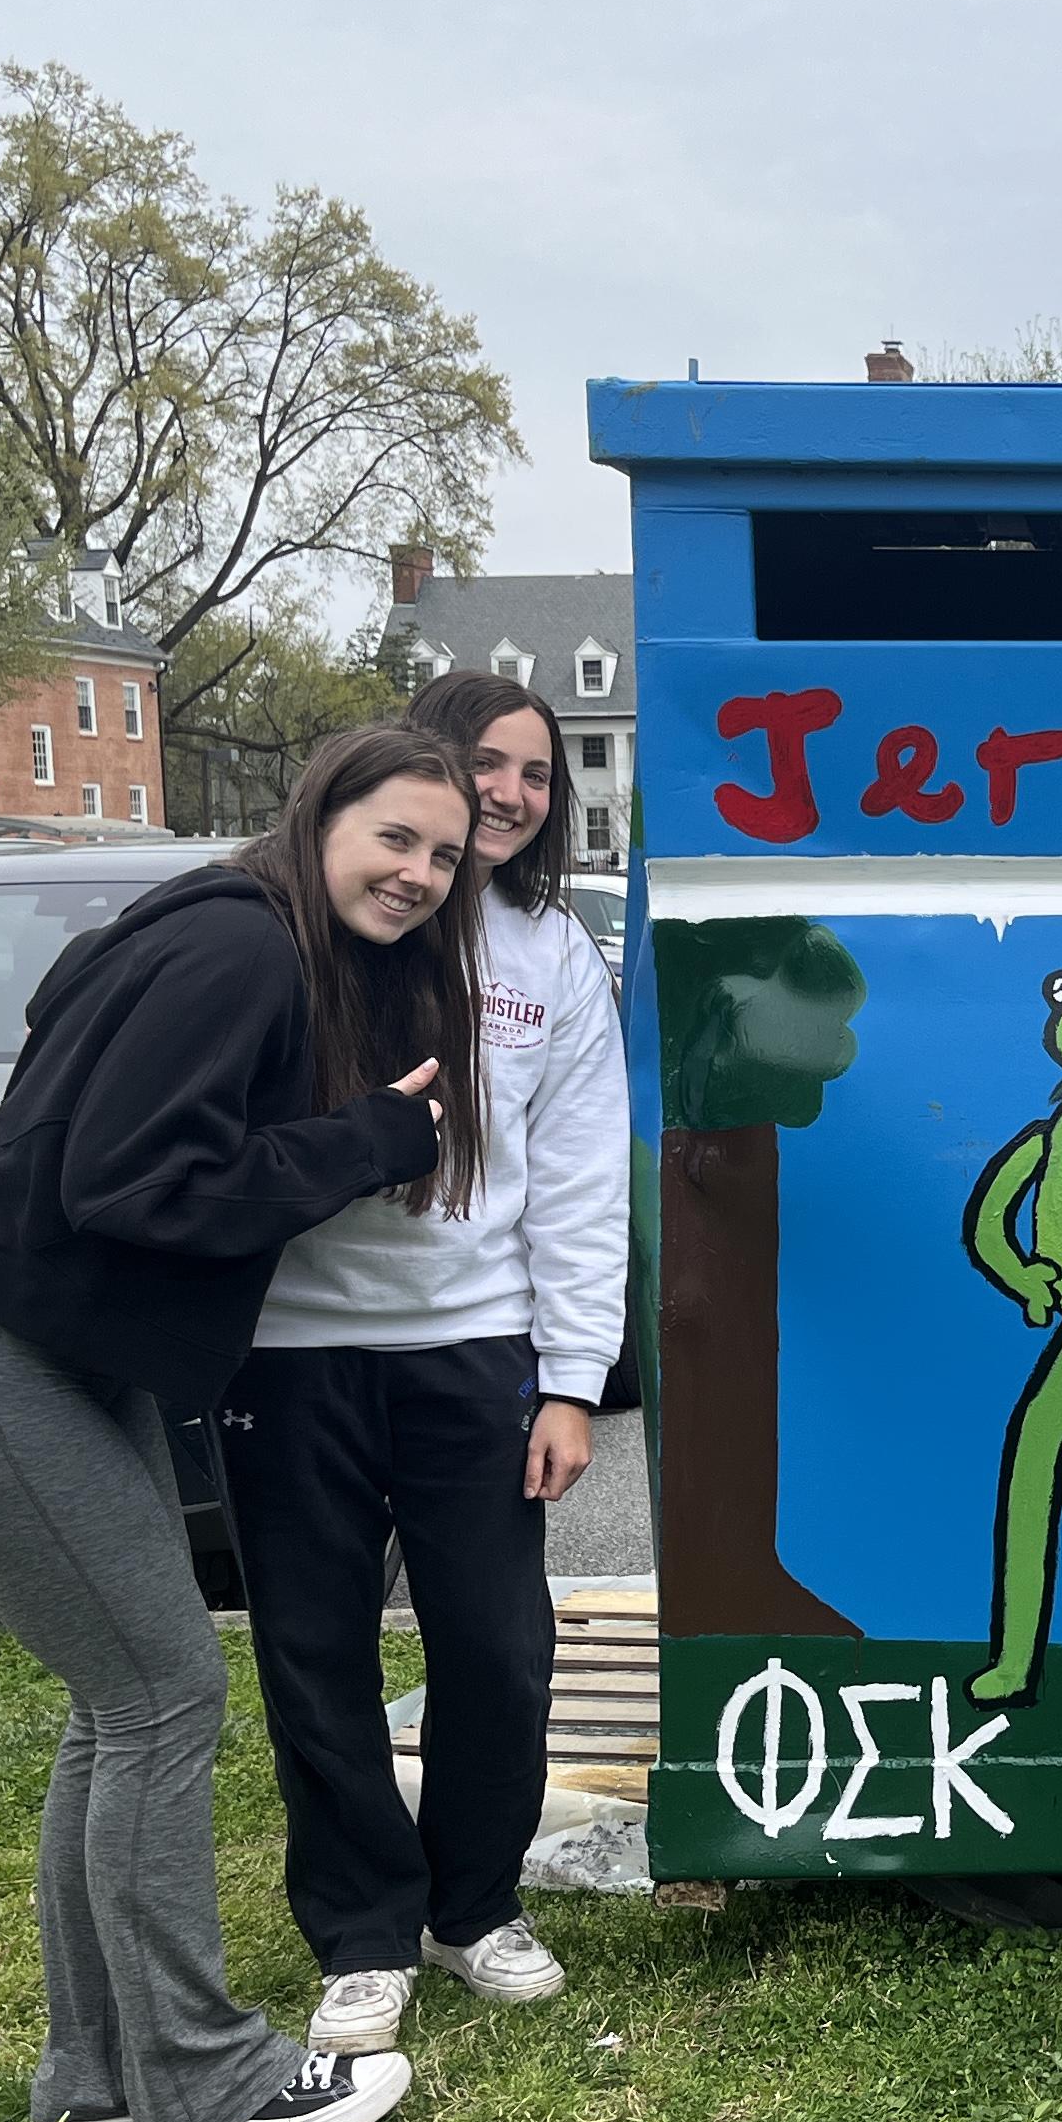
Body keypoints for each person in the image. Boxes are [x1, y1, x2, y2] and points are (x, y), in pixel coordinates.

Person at [0, 725, 485, 2122]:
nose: (420, 875)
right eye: (396, 838)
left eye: (444, 859)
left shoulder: (232, 931)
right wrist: (365, 1142)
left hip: (68, 1363)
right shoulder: (242, 951)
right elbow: (125, 1182)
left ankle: (92, 2083)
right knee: (162, 1699)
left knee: (118, 1701)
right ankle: (203, 2085)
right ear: (321, 814)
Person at [236, 672, 630, 2050]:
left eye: (534, 773)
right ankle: (361, 1930)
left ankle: (473, 1907)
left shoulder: (556, 957)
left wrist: (574, 1376)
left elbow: (580, 1181)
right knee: (316, 1650)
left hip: (474, 1355)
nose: (512, 793)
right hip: (292, 1355)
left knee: (498, 1648)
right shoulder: (310, 926)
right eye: (484, 766)